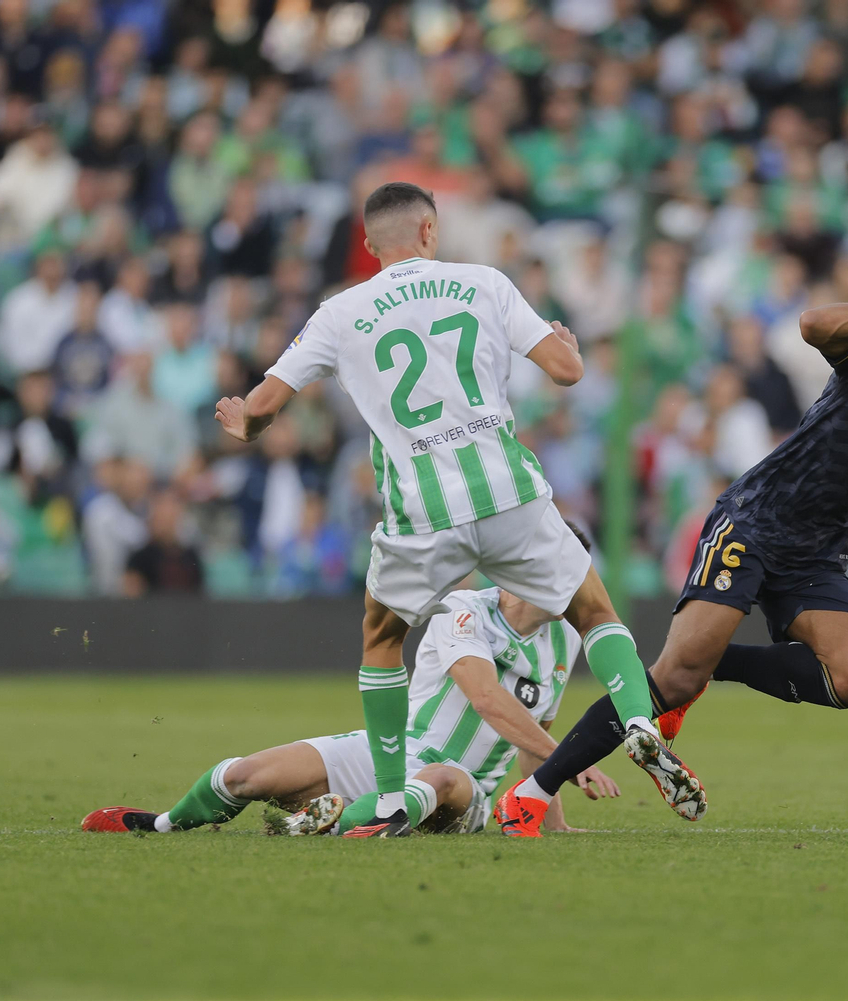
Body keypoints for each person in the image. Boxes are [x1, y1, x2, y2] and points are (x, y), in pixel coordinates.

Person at [214, 182, 694, 839]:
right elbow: (566, 372)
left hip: (422, 509)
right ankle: (637, 720)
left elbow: (264, 407)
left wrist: (243, 422)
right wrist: (571, 348)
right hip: (507, 492)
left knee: (383, 640)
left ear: (368, 245)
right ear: (431, 231)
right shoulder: (485, 283)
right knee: (593, 611)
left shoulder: (339, 311)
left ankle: (387, 797)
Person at [496, 283, 848, 838]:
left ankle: (716, 663)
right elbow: (813, 324)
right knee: (673, 676)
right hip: (754, 523)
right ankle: (531, 794)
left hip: (818, 552)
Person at [80, 578, 620, 838]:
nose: (578, 591)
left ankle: (317, 827)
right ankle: (163, 825)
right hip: (390, 755)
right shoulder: (465, 613)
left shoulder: (565, 643)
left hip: (464, 791)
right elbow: (486, 697)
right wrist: (573, 758)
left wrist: (555, 821)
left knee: (444, 778)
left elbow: (532, 738)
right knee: (249, 776)